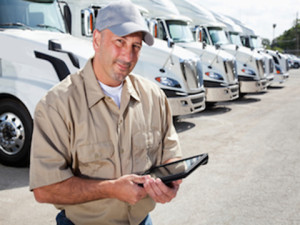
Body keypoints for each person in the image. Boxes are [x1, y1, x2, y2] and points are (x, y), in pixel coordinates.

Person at [29, 1, 182, 224]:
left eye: (136, 46)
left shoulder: (154, 97)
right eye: (120, 42)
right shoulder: (57, 104)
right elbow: (44, 190)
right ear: (97, 40)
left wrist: (171, 183)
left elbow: (171, 154)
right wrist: (111, 190)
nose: (128, 56)